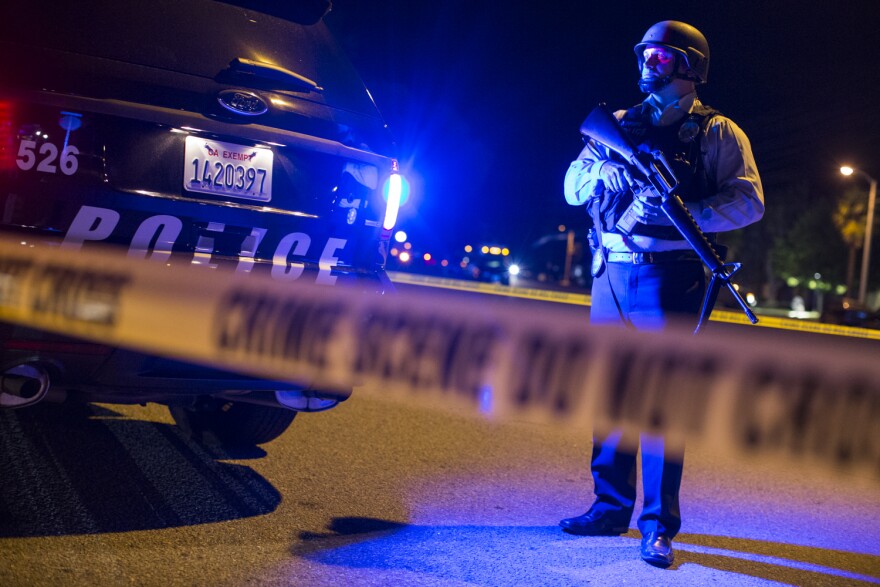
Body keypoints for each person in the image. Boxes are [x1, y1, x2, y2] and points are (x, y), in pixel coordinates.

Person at [561, 20, 764, 568]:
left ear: (690, 66)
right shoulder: (617, 124)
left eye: (662, 56)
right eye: (646, 54)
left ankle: (657, 527)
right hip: (611, 276)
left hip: (669, 279)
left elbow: (749, 202)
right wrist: (601, 171)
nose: (648, 63)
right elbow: (571, 188)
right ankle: (608, 508)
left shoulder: (719, 132)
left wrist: (684, 214)